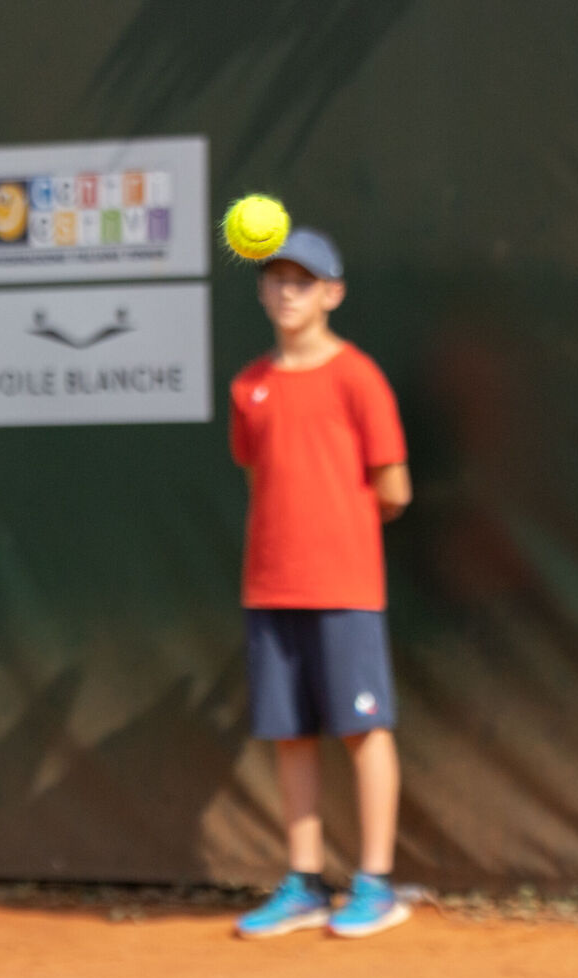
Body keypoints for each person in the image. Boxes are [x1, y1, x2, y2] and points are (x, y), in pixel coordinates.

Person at [227, 227, 415, 940]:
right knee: (291, 735)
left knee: (363, 729)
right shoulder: (250, 385)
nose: (286, 291)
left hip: (345, 586)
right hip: (270, 587)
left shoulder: (358, 378)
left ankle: (376, 883)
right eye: (275, 279)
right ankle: (303, 883)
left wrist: (337, 531)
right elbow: (260, 472)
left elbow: (393, 488)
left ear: (332, 294)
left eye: (302, 281)